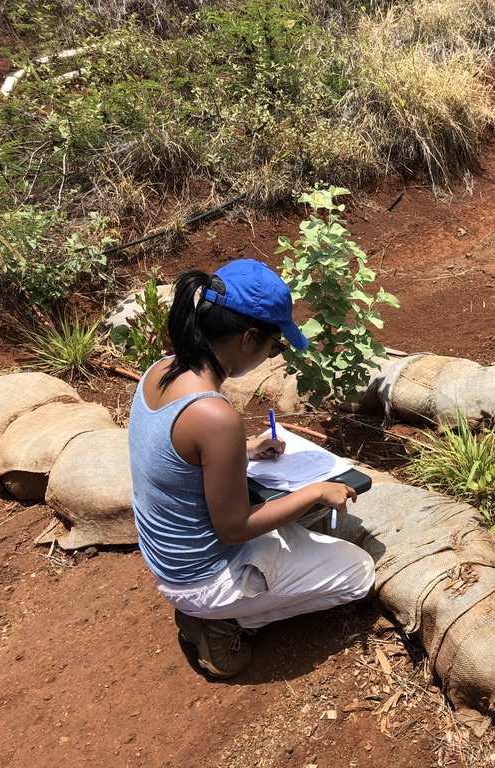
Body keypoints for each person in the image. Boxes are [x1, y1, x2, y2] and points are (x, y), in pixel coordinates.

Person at [128, 259, 375, 678]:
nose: (269, 355)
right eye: (273, 346)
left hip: (171, 558)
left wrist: (244, 448)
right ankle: (223, 622)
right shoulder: (214, 415)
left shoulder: (161, 369)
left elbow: (177, 454)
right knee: (359, 574)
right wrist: (316, 492)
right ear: (247, 338)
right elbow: (235, 529)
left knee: (293, 524)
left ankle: (217, 609)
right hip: (204, 576)